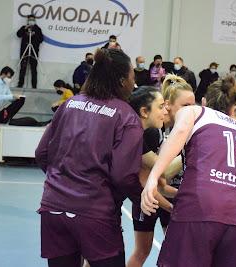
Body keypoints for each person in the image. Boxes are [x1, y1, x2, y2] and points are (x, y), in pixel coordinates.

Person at [35, 48, 142, 267]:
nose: (134, 84)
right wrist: (143, 200)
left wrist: (62, 181)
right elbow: (123, 176)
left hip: (53, 207)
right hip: (95, 212)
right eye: (133, 78)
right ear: (122, 81)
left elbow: (42, 153)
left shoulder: (69, 104)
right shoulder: (126, 115)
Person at [141, 76, 236, 267]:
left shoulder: (195, 112)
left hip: (201, 205)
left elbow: (179, 133)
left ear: (203, 101)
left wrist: (153, 177)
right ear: (233, 109)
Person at [126, 86, 182, 267]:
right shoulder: (143, 133)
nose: (165, 110)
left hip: (154, 197)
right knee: (141, 251)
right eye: (161, 106)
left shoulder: (156, 130)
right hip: (143, 201)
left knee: (175, 252)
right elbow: (151, 178)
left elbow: (160, 182)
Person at [17, 14, 43, 89]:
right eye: (30, 20)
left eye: (32, 20)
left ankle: (34, 86)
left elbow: (41, 39)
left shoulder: (38, 29)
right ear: (27, 20)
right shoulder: (24, 28)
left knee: (34, 69)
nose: (31, 21)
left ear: (34, 20)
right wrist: (25, 29)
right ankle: (20, 84)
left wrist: (35, 34)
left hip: (34, 52)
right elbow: (18, 34)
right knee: (23, 68)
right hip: (24, 51)